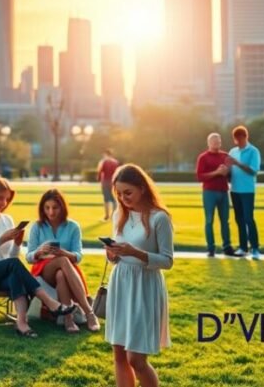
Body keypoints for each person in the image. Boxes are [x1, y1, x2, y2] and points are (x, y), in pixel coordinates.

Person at [0, 178, 78, 338]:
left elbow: (11, 257)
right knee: (13, 266)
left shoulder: (6, 219)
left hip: (2, 272)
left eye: (6, 199)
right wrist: (1, 239)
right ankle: (50, 302)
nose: (3, 203)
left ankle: (22, 324)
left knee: (15, 275)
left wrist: (17, 244)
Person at [105, 164, 173, 387]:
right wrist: (112, 254)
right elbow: (115, 258)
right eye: (119, 193)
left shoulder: (159, 218)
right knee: (119, 355)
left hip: (144, 287)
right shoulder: (119, 215)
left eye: (128, 192)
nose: (123, 198)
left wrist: (135, 252)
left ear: (142, 188)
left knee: (136, 359)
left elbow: (167, 260)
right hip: (121, 283)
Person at [25, 190, 101, 333]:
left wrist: (64, 253)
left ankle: (68, 319)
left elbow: (78, 256)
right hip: (42, 269)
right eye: (47, 208)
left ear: (62, 208)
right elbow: (28, 257)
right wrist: (38, 252)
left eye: (55, 207)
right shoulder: (37, 226)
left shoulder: (73, 227)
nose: (51, 212)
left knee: (61, 272)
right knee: (63, 261)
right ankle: (89, 313)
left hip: (66, 270)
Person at [194, 133, 237, 257]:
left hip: (224, 191)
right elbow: (199, 177)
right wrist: (216, 172)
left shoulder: (226, 156)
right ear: (208, 143)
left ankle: (227, 247)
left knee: (225, 221)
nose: (216, 143)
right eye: (213, 141)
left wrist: (227, 172)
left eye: (218, 141)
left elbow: (231, 176)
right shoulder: (203, 157)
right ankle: (211, 248)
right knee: (209, 220)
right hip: (209, 192)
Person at [227, 126, 261, 260]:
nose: (238, 142)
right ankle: (243, 247)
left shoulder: (253, 151)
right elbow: (230, 169)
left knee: (248, 218)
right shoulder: (232, 151)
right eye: (236, 140)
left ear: (245, 137)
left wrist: (237, 163)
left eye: (240, 139)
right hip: (234, 189)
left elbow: (253, 171)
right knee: (239, 219)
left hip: (247, 190)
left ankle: (255, 248)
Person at [97, 149, 120, 221]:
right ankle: (113, 215)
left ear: (105, 154)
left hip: (105, 182)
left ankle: (106, 216)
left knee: (106, 199)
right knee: (114, 199)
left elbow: (99, 172)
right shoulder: (116, 162)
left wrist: (99, 179)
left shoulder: (103, 162)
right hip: (114, 182)